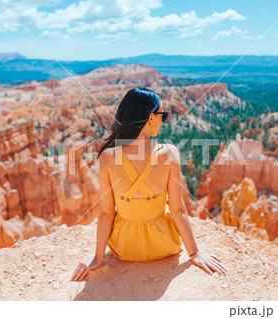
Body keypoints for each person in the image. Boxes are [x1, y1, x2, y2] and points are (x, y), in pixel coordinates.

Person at [71, 87, 227, 281]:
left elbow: (106, 213)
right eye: (162, 115)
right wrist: (195, 254)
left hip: (124, 248)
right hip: (164, 245)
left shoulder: (108, 157)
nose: (163, 120)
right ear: (151, 117)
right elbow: (178, 210)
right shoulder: (169, 153)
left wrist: (97, 257)